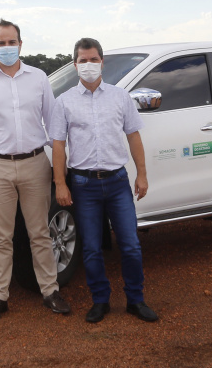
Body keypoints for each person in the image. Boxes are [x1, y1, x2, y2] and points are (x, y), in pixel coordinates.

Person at [0, 19, 71, 322]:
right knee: (1, 235)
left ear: (21, 44)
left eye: (12, 42)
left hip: (36, 163)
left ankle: (50, 290)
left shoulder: (38, 79)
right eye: (1, 42)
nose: (7, 47)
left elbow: (53, 124)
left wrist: (61, 168)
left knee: (39, 231)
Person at [49, 37, 157, 324]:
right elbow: (58, 146)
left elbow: (133, 135)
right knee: (92, 248)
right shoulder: (64, 102)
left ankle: (136, 299)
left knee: (130, 244)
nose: (88, 65)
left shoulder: (120, 97)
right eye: (82, 60)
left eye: (93, 59)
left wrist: (142, 174)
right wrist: (61, 183)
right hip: (84, 185)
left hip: (118, 182)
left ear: (102, 62)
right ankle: (100, 301)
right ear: (75, 65)